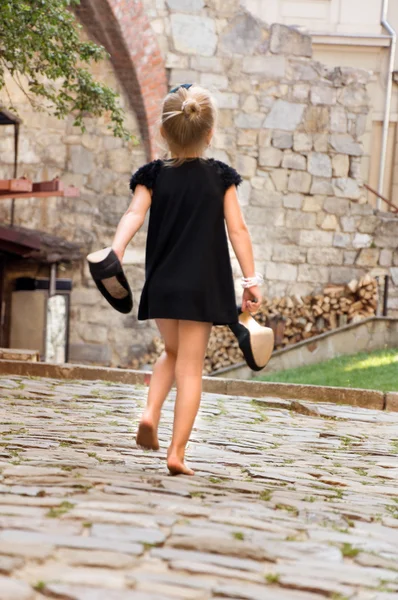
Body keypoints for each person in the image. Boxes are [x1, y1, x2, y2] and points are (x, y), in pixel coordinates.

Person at [111, 84, 262, 475]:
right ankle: (176, 452)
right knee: (190, 368)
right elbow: (239, 231)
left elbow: (133, 214)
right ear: (209, 133)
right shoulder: (221, 178)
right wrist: (251, 280)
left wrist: (116, 251)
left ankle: (149, 412)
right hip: (201, 289)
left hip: (163, 284)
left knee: (172, 351)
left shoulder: (152, 176)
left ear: (163, 132)